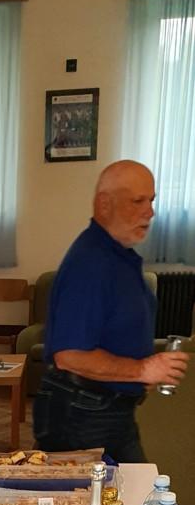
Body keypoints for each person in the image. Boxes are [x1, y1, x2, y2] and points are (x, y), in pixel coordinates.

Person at [34, 160, 190, 462]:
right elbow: (69, 355)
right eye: (138, 201)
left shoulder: (118, 255)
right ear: (105, 204)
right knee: (111, 491)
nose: (150, 212)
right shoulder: (92, 262)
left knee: (132, 488)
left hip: (106, 409)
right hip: (83, 413)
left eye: (151, 200)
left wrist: (141, 372)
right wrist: (143, 369)